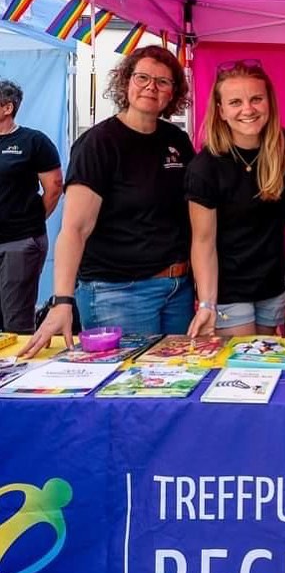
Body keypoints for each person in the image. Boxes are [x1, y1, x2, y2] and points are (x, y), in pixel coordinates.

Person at [21, 45, 194, 357]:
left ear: (173, 93)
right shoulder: (98, 144)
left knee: (172, 388)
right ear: (126, 81)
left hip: (177, 289)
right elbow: (74, 230)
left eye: (163, 81)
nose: (151, 87)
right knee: (130, 394)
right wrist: (62, 300)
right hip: (118, 293)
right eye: (142, 77)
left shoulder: (177, 141)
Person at [185, 60, 285, 338]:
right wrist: (207, 301)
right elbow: (203, 241)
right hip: (230, 290)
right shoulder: (206, 167)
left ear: (269, 102)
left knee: (270, 367)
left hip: (272, 284)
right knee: (249, 369)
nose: (248, 109)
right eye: (235, 102)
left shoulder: (281, 147)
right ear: (221, 111)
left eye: (256, 99)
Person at [0, 80, 62, 333]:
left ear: (7, 108)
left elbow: (54, 187)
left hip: (19, 242)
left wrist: (31, 223)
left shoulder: (33, 141)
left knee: (15, 319)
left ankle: (16, 369)